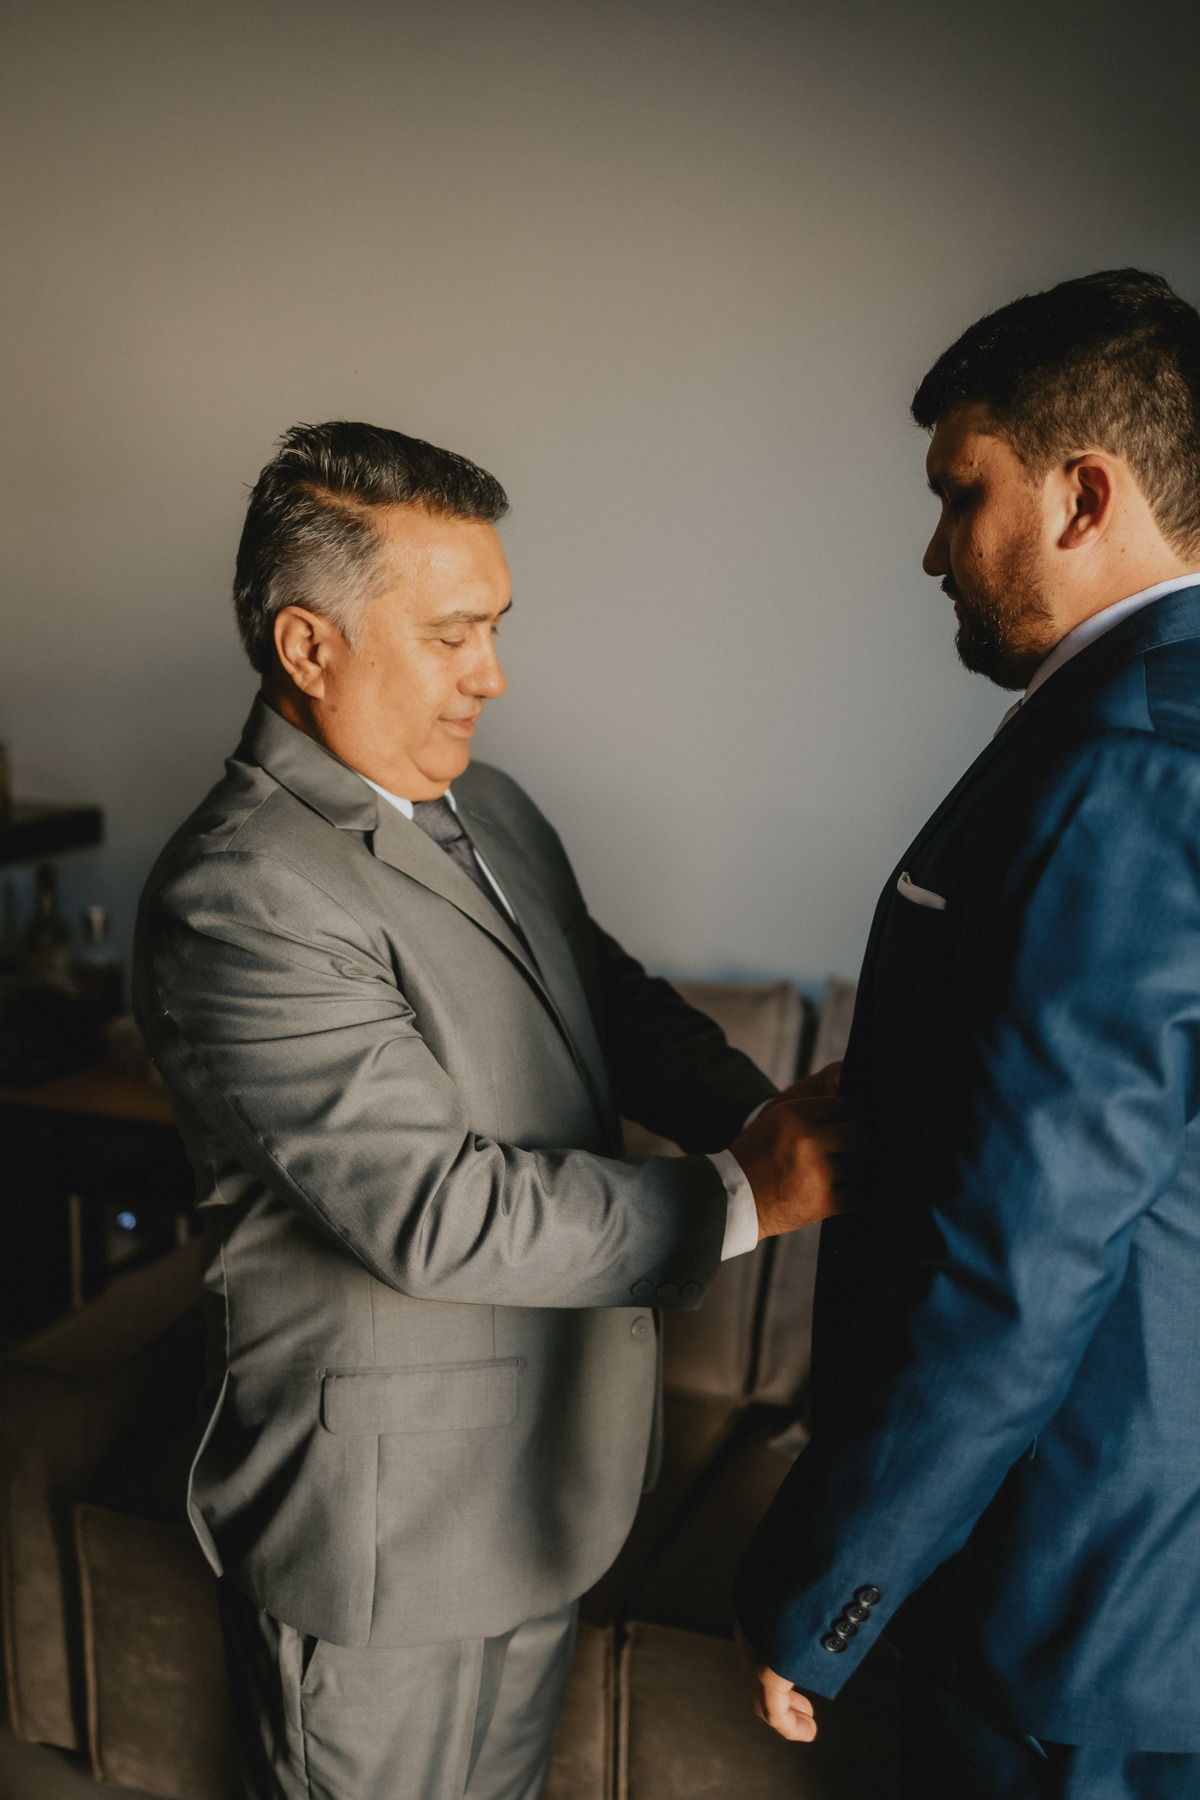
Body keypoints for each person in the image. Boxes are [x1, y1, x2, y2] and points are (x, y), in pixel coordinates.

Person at [133, 421, 849, 1800]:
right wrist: (746, 1195)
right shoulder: (239, 894)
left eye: (497, 626)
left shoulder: (494, 807)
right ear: (308, 648)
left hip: (544, 1488)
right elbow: (434, 1210)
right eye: (452, 634)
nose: (493, 675)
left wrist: (778, 1114)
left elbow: (614, 1007)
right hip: (387, 1543)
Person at [734, 270, 1200, 1799]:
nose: (933, 551)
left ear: (1084, 496)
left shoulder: (1128, 762)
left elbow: (1028, 1250)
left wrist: (831, 1588)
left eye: (961, 494)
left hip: (1082, 1601)